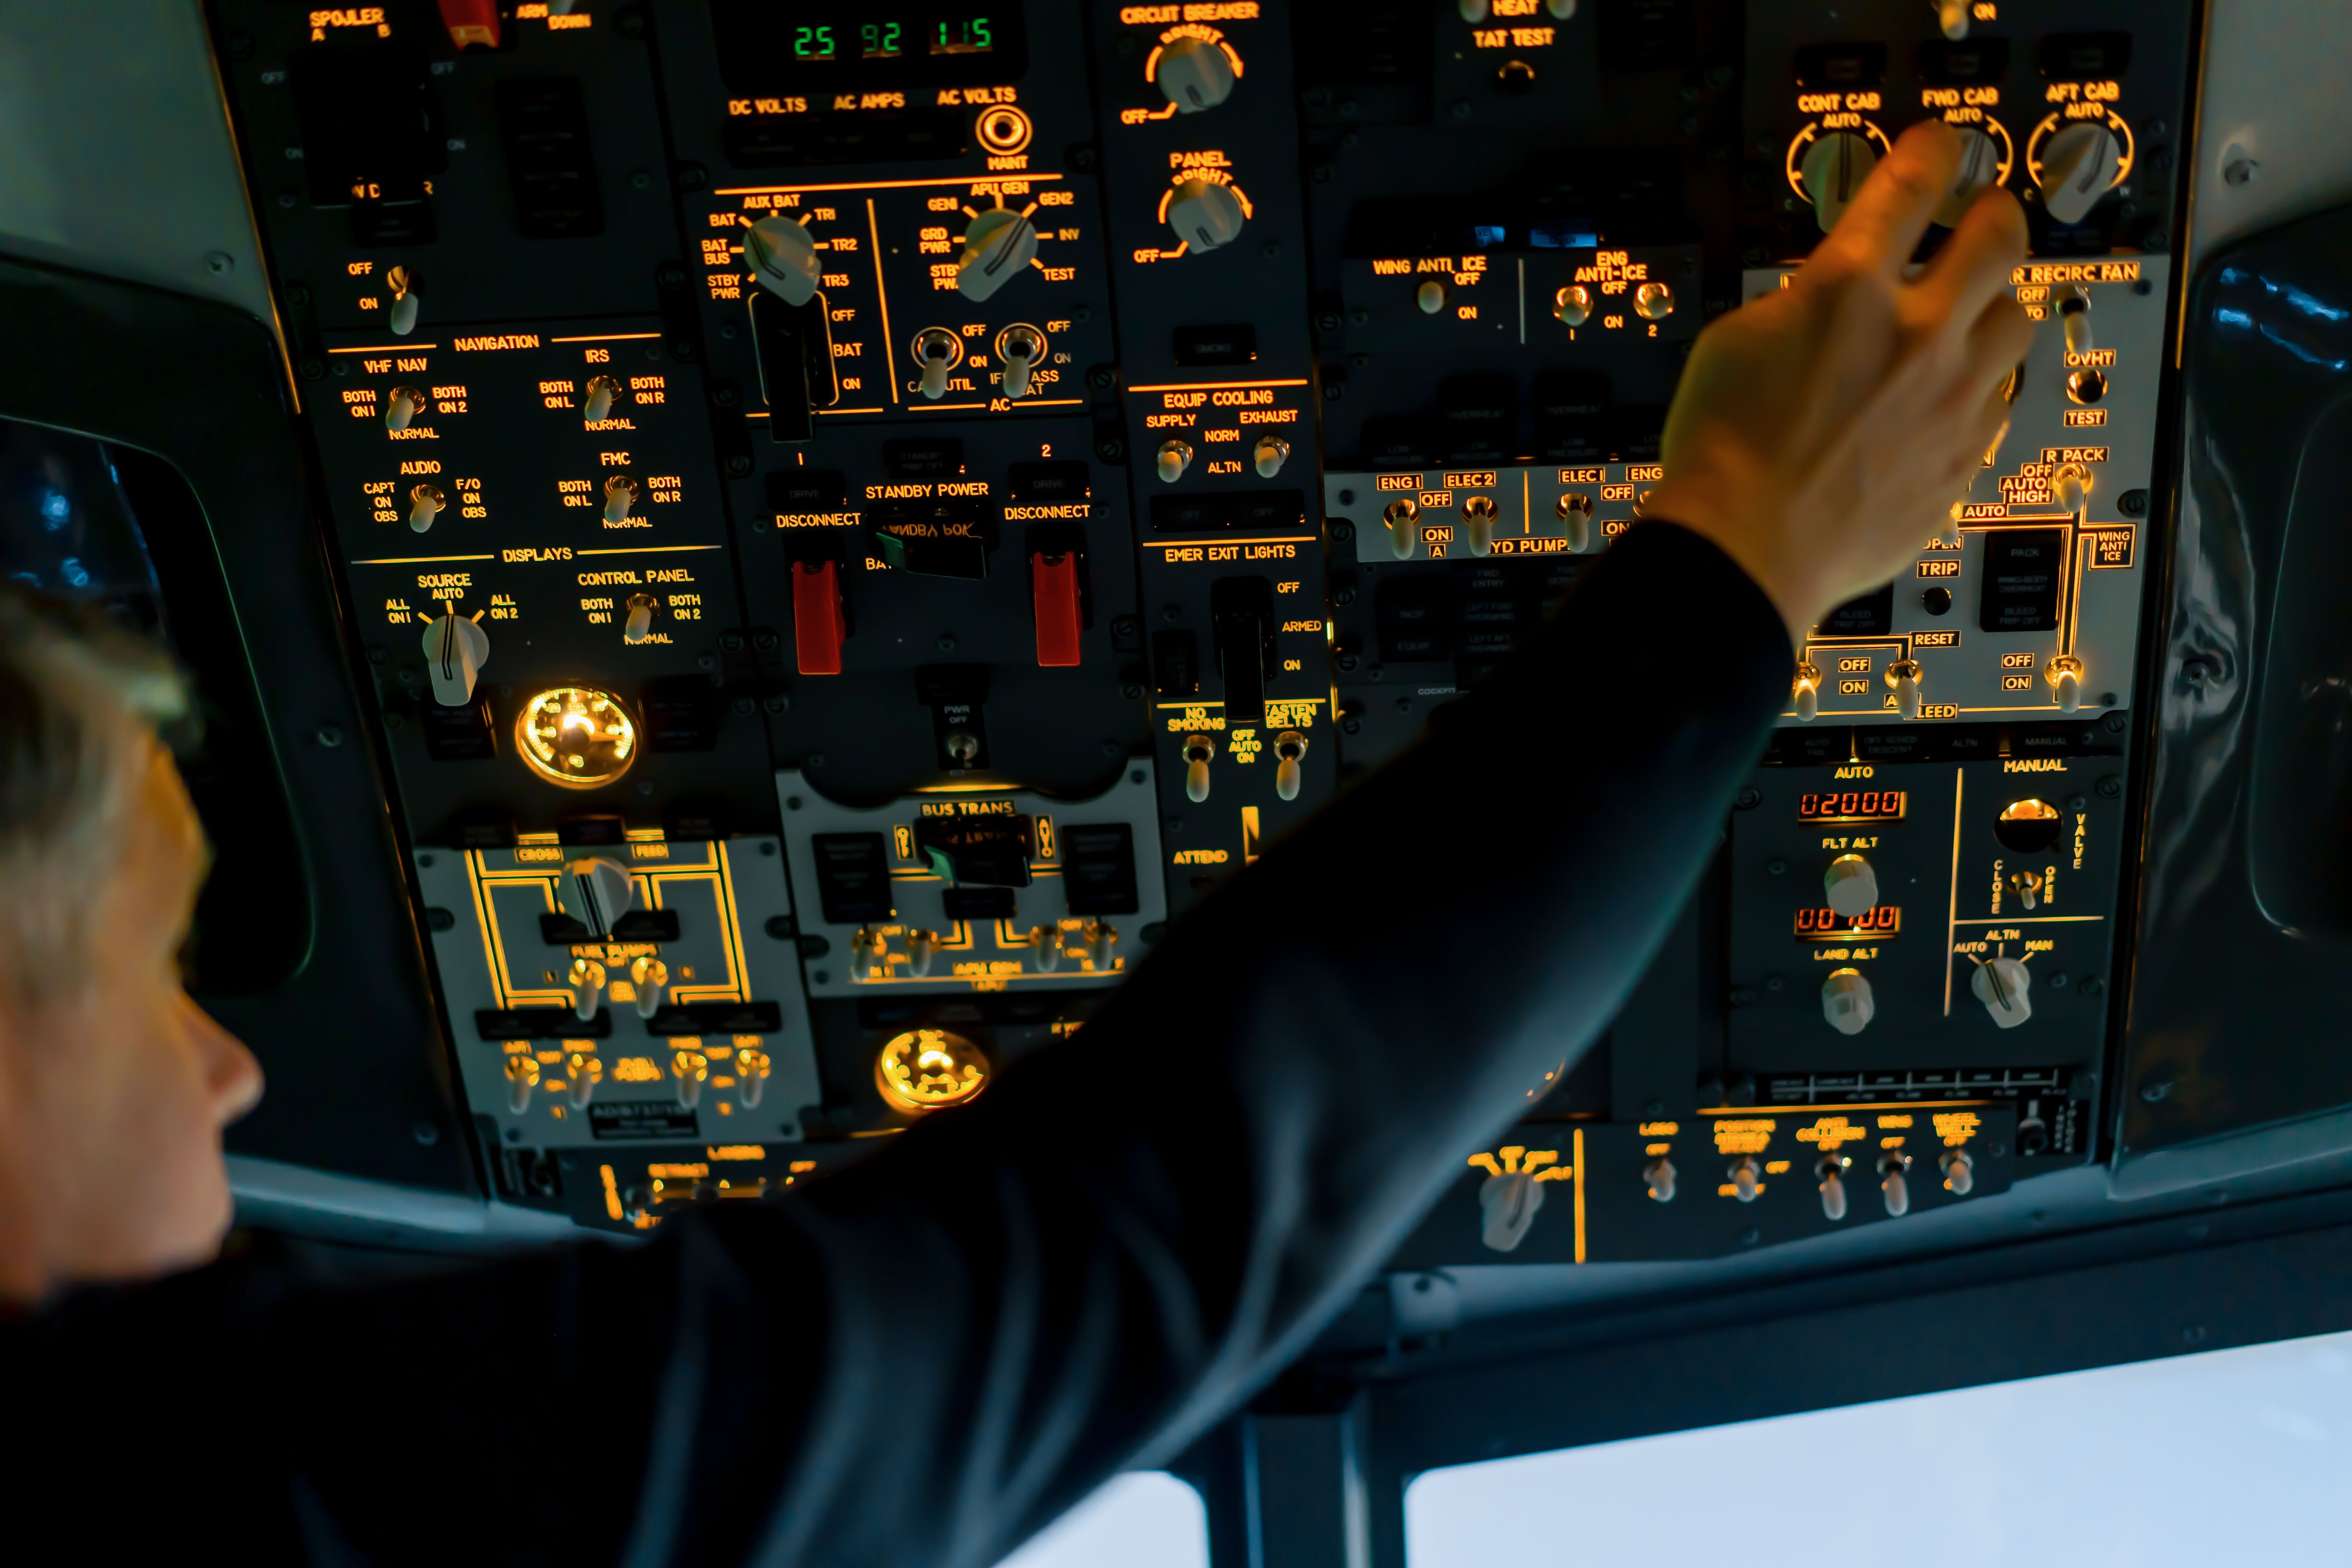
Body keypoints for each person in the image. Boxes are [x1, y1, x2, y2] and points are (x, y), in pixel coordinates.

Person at [0, 122, 2027, 1564]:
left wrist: (1752, 553)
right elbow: (1122, 1224)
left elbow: (1123, 1229)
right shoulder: (217, 1481)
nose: (235, 1065)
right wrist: (1749, 546)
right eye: (153, 968)